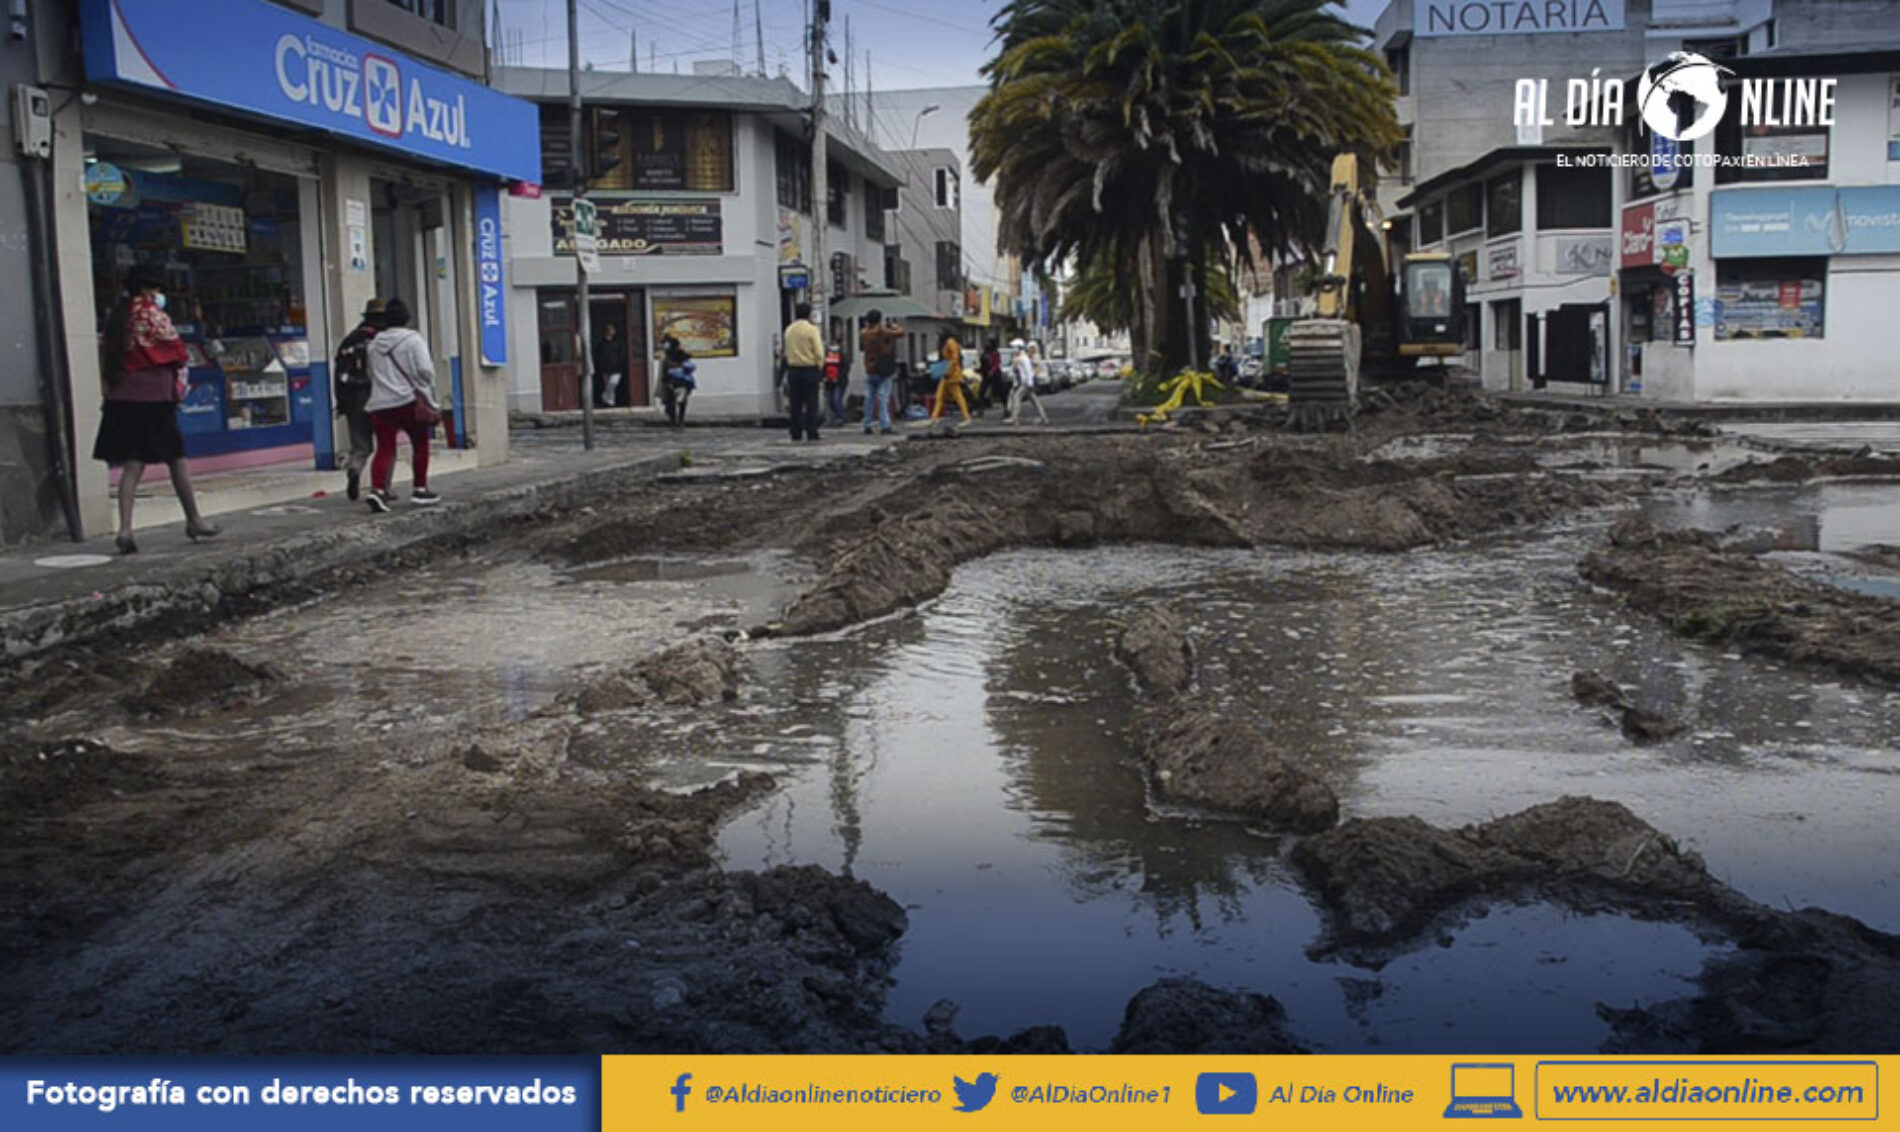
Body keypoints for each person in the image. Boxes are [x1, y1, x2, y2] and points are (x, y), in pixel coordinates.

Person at [92, 266, 220, 554]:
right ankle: (194, 520)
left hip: (122, 398)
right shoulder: (152, 315)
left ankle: (125, 529)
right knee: (177, 458)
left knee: (133, 463)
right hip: (153, 398)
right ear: (149, 290)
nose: (160, 296)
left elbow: (106, 355)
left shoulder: (116, 316)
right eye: (158, 290)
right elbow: (176, 351)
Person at [362, 298, 441, 512]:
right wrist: (426, 386)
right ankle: (420, 488)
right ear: (407, 318)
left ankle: (377, 490)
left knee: (384, 448)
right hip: (409, 402)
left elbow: (371, 373)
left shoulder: (374, 344)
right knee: (420, 445)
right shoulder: (414, 340)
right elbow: (426, 371)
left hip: (380, 403)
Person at [333, 298, 384, 502]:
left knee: (361, 444)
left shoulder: (350, 340)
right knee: (385, 446)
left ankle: (355, 468)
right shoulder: (384, 340)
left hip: (354, 398)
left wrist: (342, 403)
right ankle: (381, 488)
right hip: (381, 397)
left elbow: (339, 374)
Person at [782, 301, 825, 442]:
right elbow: (819, 352)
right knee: (811, 402)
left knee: (795, 403)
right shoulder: (812, 330)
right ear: (808, 314)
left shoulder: (789, 330)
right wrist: (819, 366)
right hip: (809, 369)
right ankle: (812, 431)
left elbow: (786, 351)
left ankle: (796, 432)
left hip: (793, 370)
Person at [858, 308, 905, 435]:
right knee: (883, 398)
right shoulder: (882, 331)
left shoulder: (864, 333)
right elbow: (901, 333)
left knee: (869, 398)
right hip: (884, 369)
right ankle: (885, 425)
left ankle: (867, 424)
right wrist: (893, 326)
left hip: (870, 368)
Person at [929, 328, 973, 425]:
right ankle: (934, 417)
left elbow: (955, 359)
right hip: (947, 374)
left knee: (957, 396)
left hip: (952, 374)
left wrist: (948, 372)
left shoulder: (950, 342)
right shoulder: (947, 343)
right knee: (940, 396)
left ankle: (967, 417)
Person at [1007, 338, 1050, 425]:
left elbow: (1028, 371)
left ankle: (1014, 418)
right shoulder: (1020, 358)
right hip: (1027, 383)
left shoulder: (1023, 358)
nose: (1013, 350)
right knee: (1034, 400)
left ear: (1018, 348)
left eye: (1014, 348)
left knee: (1016, 397)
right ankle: (1043, 417)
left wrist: (1029, 383)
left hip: (1026, 383)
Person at [659, 335, 695, 428]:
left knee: (671, 402)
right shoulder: (683, 355)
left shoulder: (667, 356)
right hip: (683, 381)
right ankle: (680, 420)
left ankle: (674, 420)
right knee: (681, 402)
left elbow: (664, 371)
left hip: (672, 381)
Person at [592, 321, 625, 408]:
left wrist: (619, 362)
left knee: (613, 383)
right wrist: (600, 365)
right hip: (605, 369)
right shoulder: (601, 343)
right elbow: (598, 355)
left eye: (612, 330)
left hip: (617, 368)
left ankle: (605, 396)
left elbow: (622, 353)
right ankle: (611, 402)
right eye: (609, 330)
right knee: (608, 386)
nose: (611, 332)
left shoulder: (618, 342)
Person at [977, 339, 1006, 414]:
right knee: (981, 393)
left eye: (989, 343)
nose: (987, 344)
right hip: (986, 376)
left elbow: (996, 364)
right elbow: (982, 364)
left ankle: (1006, 408)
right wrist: (979, 370)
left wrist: (992, 371)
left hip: (995, 375)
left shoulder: (995, 353)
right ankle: (980, 410)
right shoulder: (984, 353)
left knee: (1000, 392)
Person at [822, 345, 848, 427]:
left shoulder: (842, 358)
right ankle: (836, 416)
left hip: (839, 383)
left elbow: (845, 369)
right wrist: (824, 377)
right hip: (829, 383)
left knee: (837, 399)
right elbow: (823, 369)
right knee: (830, 401)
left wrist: (838, 378)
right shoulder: (826, 359)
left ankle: (841, 418)